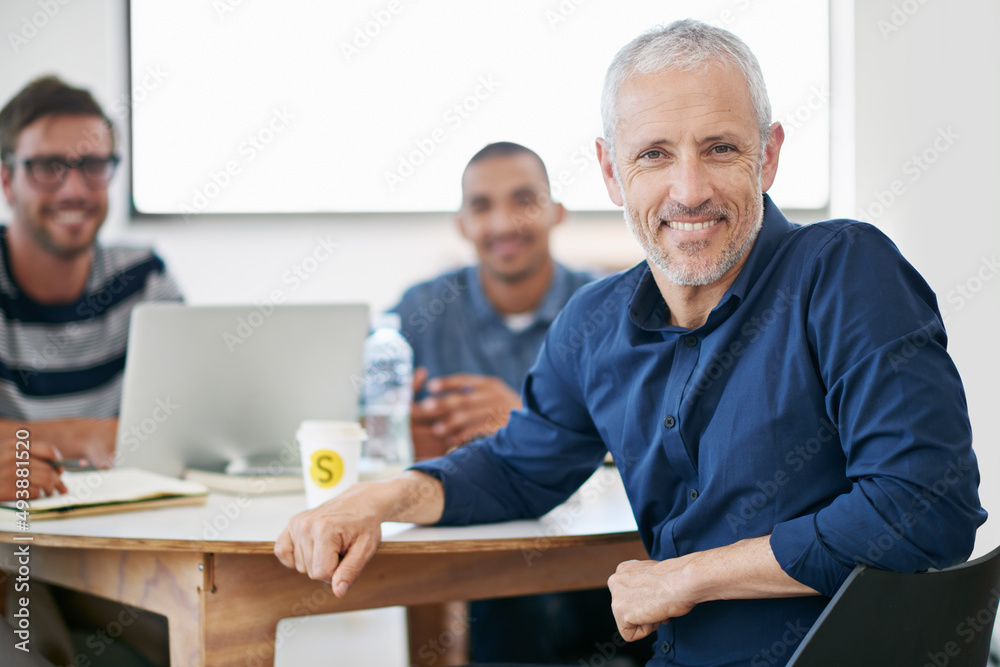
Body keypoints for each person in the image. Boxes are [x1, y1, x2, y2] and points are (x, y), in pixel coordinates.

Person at [276, 19, 985, 667]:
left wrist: (689, 575)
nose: (689, 190)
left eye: (721, 148)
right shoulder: (593, 323)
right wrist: (376, 500)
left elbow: (925, 508)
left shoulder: (844, 270)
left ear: (767, 157)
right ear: (612, 172)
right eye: (653, 154)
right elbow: (519, 468)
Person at [392, 142, 650, 664]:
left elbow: (650, 440)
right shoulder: (422, 312)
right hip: (482, 548)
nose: (503, 222)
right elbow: (361, 413)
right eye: (482, 206)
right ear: (462, 223)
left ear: (557, 212)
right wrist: (404, 437)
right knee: (512, 607)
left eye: (524, 200)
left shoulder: (607, 307)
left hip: (597, 547)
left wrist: (533, 429)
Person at [0, 76, 180, 667]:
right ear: (6, 179)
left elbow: (186, 419)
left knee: (193, 633)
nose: (75, 188)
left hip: (116, 539)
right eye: (49, 167)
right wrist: (79, 436)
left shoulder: (142, 277)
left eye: (95, 166)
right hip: (15, 550)